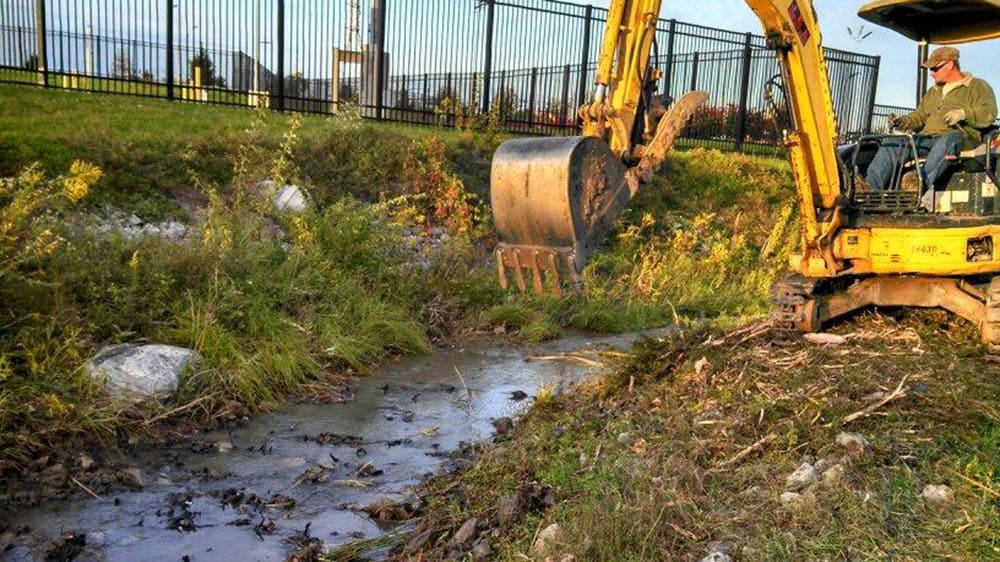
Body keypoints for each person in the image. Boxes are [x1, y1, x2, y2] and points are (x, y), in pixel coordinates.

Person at [864, 46, 997, 205]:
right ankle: (868, 191)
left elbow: (989, 112)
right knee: (892, 143)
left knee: (948, 139)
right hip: (928, 138)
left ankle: (917, 185)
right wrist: (902, 121)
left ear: (949, 65)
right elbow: (919, 116)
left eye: (935, 68)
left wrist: (963, 114)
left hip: (962, 138)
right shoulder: (933, 91)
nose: (932, 72)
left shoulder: (977, 86)